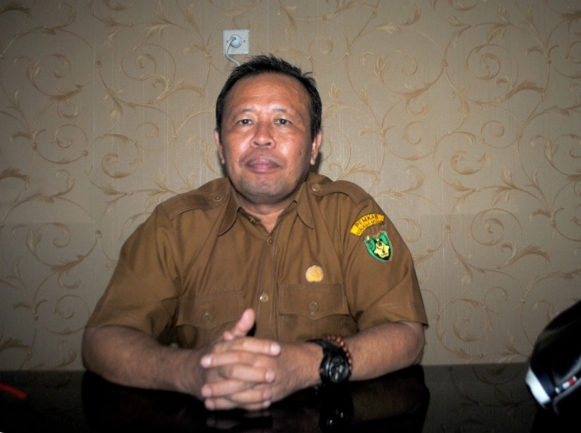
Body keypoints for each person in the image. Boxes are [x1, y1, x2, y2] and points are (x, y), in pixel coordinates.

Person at [82, 55, 428, 412]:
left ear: (313, 146)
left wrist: (305, 365)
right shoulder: (174, 225)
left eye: (283, 121)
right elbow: (102, 339)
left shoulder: (350, 214)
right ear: (220, 145)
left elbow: (406, 335)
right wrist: (191, 372)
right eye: (245, 121)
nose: (262, 137)